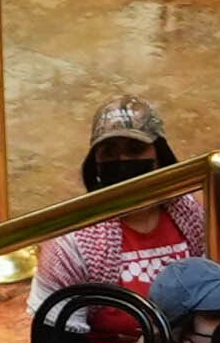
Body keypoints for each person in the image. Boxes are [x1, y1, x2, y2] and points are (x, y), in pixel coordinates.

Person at [40, 96, 211, 296]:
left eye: (135, 150)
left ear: (160, 156)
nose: (122, 160)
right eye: (109, 152)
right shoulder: (71, 242)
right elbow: (52, 320)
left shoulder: (191, 215)